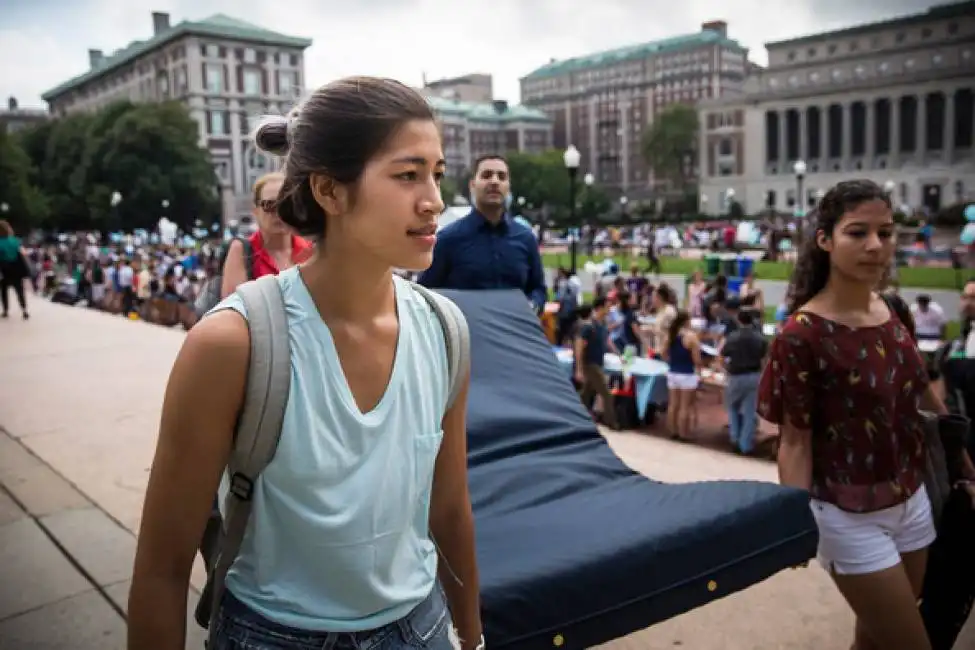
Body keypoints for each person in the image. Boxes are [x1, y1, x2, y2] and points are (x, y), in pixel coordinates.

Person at [128, 77, 483, 650]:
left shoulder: (446, 331)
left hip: (423, 628)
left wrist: (473, 636)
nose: (435, 200)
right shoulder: (231, 344)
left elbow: (450, 512)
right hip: (269, 634)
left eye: (437, 174)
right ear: (329, 190)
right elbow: (162, 571)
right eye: (407, 174)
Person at [757, 180, 949, 650]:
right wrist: (792, 523)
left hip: (913, 497)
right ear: (824, 239)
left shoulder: (892, 310)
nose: (876, 246)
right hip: (847, 512)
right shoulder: (801, 335)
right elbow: (794, 440)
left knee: (878, 636)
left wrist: (961, 458)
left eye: (886, 233)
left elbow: (920, 394)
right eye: (858, 233)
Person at [418, 155, 547, 311]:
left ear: (508, 186)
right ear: (472, 185)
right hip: (467, 332)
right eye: (486, 175)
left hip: (515, 332)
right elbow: (425, 293)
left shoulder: (526, 238)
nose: (494, 181)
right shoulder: (447, 239)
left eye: (501, 177)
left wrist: (533, 305)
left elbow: (538, 289)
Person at [220, 171, 313, 298]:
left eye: (286, 203)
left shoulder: (311, 249)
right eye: (270, 205)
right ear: (256, 211)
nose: (279, 212)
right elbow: (233, 309)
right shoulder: (242, 251)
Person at [661, 309, 701, 442]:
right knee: (685, 406)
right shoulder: (691, 337)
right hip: (687, 374)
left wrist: (670, 361)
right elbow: (696, 359)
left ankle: (673, 431)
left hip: (673, 372)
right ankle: (684, 433)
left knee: (673, 405)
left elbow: (663, 352)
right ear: (687, 321)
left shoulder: (670, 335)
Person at [0, 220, 29, 320]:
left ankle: (5, 310)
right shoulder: (15, 240)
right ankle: (24, 310)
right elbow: (23, 253)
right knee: (19, 290)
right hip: (16, 268)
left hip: (4, 268)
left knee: (3, 290)